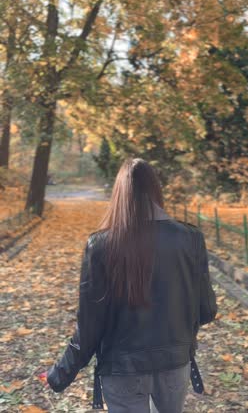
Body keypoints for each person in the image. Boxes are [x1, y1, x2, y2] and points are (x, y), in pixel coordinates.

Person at [44, 158, 217, 413]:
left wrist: (60, 374)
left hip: (122, 372)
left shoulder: (101, 245)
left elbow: (90, 328)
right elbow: (207, 310)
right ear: (156, 190)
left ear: (119, 194)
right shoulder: (190, 238)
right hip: (174, 365)